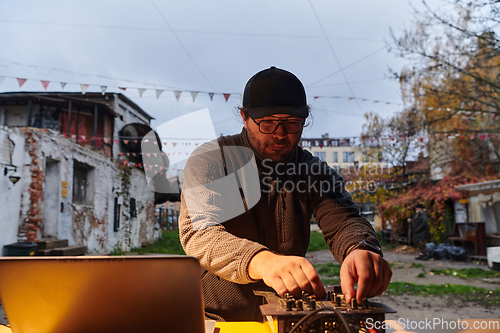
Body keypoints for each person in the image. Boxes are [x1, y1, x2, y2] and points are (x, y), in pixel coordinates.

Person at [179, 66, 392, 322]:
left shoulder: (313, 170)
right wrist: (262, 261)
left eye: (292, 123)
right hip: (216, 316)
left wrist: (360, 249)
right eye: (267, 123)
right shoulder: (213, 160)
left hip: (288, 316)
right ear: (245, 118)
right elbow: (199, 233)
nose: (280, 134)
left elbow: (344, 220)